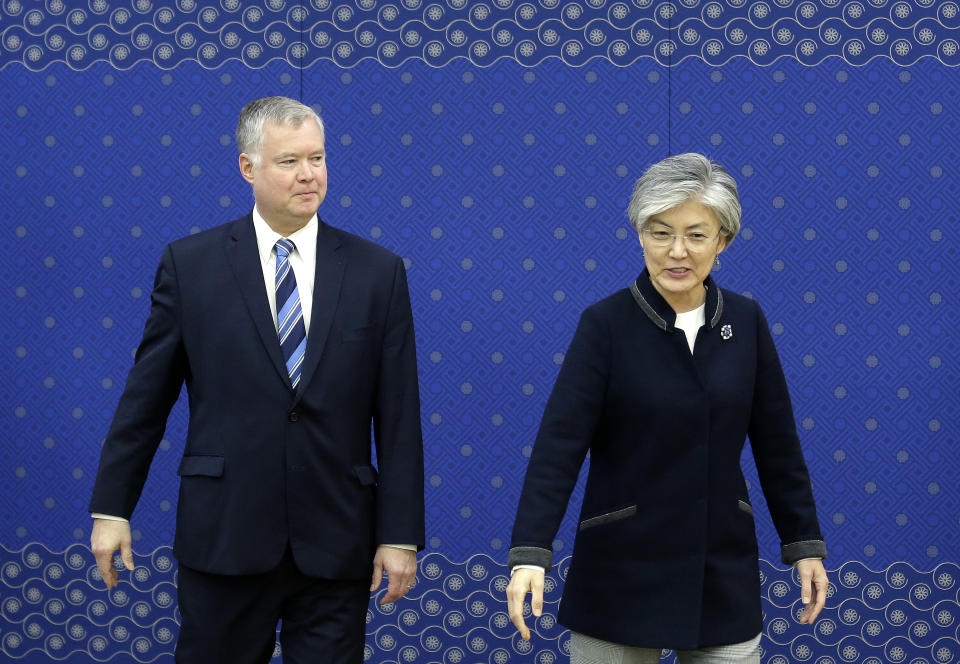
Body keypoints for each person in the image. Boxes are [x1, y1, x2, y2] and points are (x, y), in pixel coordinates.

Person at [88, 96, 425, 663]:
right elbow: (145, 399)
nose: (308, 175)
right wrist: (112, 509)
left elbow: (398, 415)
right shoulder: (190, 266)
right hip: (225, 537)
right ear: (249, 168)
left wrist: (399, 534)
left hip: (336, 541)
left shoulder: (377, 271)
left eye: (317, 159)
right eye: (289, 161)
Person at [506, 153, 828, 663]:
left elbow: (778, 445)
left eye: (696, 235)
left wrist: (804, 543)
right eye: (660, 233)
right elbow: (558, 447)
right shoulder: (605, 325)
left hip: (720, 571)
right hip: (621, 569)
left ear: (722, 241)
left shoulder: (746, 322)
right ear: (639, 235)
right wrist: (530, 554)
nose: (677, 251)